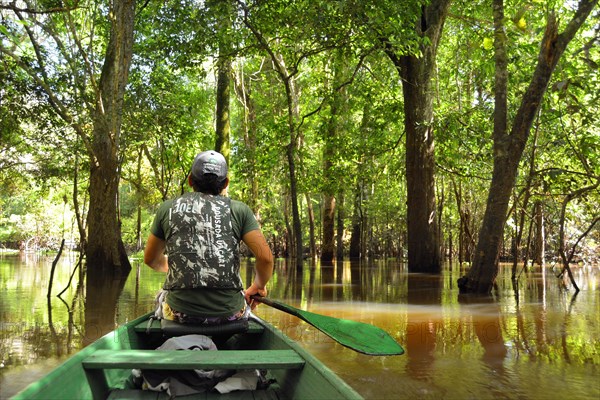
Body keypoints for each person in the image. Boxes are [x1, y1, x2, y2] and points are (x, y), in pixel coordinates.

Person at [144, 150, 274, 325]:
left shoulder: (167, 208)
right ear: (225, 183)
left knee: (161, 296)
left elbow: (151, 259)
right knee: (242, 309)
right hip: (230, 314)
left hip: (181, 313)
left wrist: (183, 267)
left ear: (190, 180)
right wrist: (258, 286)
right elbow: (265, 258)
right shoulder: (239, 210)